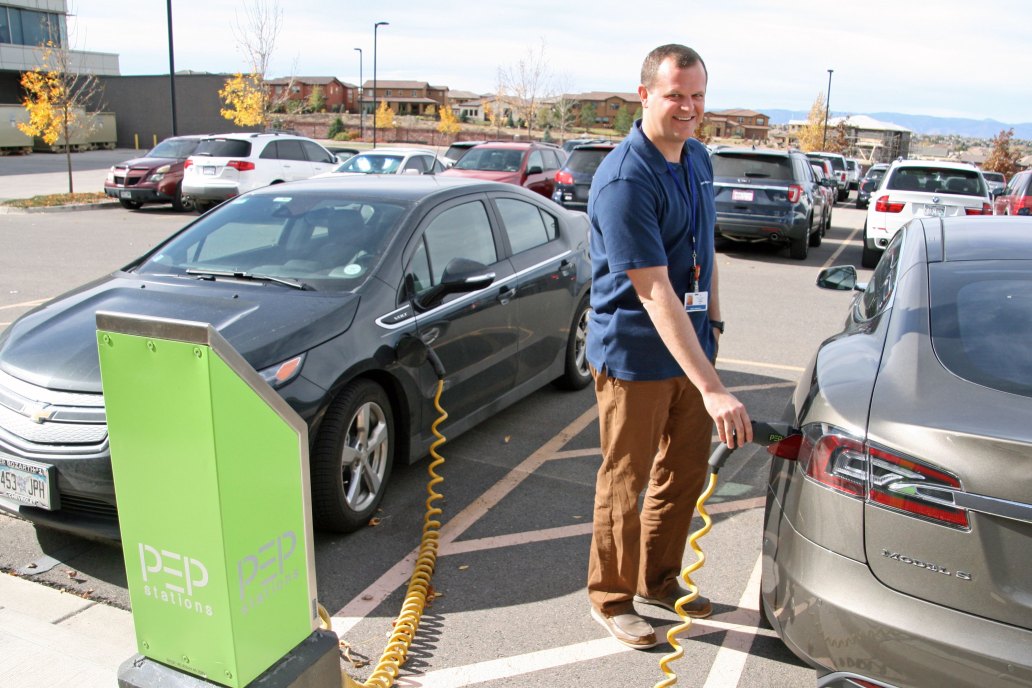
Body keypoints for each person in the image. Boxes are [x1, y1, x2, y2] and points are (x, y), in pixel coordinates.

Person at [585, 43, 752, 650]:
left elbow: (704, 253)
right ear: (645, 95)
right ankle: (611, 597)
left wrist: (715, 334)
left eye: (697, 95)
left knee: (680, 475)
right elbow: (655, 292)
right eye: (675, 94)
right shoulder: (626, 180)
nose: (688, 107)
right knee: (624, 481)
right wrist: (714, 389)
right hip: (635, 356)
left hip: (690, 348)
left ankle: (658, 581)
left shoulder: (698, 158)